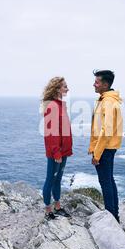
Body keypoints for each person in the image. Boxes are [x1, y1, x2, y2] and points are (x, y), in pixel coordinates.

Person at [88, 70, 123, 223]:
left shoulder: (108, 102)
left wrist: (97, 153)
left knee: (105, 182)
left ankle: (110, 218)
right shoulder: (107, 99)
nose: (94, 84)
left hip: (105, 148)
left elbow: (106, 130)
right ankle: (114, 215)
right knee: (109, 180)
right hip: (109, 147)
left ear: (105, 84)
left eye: (97, 82)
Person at [41, 77, 73, 221]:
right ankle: (48, 210)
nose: (67, 89)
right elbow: (51, 133)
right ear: (57, 89)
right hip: (56, 152)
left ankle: (58, 206)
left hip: (63, 150)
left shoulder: (60, 105)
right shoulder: (52, 106)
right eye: (65, 86)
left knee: (58, 179)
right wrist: (56, 152)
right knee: (50, 179)